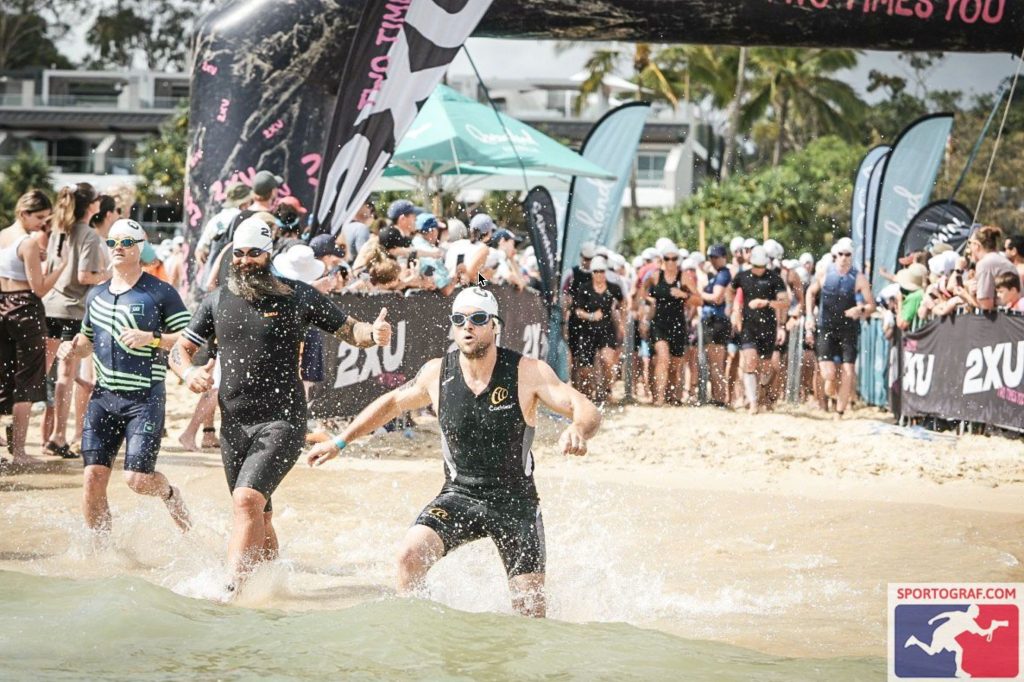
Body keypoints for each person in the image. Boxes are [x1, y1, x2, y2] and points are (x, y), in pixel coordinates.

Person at [305, 287, 601, 617]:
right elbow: (391, 403)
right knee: (409, 557)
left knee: (530, 612)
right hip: (458, 495)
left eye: (477, 319)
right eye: (459, 320)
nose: (467, 327)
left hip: (516, 503)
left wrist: (578, 428)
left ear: (494, 325)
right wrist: (340, 441)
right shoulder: (437, 372)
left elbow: (583, 406)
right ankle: (419, 636)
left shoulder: (527, 371)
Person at [168, 216, 392, 593]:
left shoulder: (296, 295)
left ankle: (230, 594)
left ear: (268, 253)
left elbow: (351, 329)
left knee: (245, 501)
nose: (244, 261)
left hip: (283, 421)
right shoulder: (217, 299)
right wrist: (187, 373)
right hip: (234, 425)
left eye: (253, 253)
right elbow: (180, 349)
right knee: (260, 514)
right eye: (238, 254)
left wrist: (374, 333)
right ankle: (271, 587)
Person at [57, 219, 191, 534]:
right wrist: (71, 349)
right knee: (92, 478)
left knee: (138, 480)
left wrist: (152, 338)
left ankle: (171, 494)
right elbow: (87, 343)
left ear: (140, 245)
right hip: (103, 397)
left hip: (144, 398)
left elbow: (189, 338)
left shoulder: (160, 292)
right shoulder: (96, 294)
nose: (118, 248)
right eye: (112, 242)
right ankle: (101, 554)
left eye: (126, 242)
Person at [0, 191, 66, 466]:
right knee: (26, 381)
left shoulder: (3, 235)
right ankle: (20, 452)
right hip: (26, 309)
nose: (42, 223)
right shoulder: (27, 243)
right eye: (39, 217)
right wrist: (60, 267)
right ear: (23, 213)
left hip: (2, 306)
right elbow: (39, 288)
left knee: (2, 378)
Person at [42, 183, 106, 459]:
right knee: (66, 376)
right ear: (91, 206)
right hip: (73, 311)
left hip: (49, 305)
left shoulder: (57, 231)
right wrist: (106, 274)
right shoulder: (88, 235)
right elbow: (84, 277)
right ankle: (58, 435)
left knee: (44, 373)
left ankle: (41, 434)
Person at [804, 239, 875, 417]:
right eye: (840, 254)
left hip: (848, 329)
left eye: (847, 255)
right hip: (826, 326)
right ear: (835, 255)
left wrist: (860, 309)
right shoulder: (824, 273)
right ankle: (832, 393)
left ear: (852, 256)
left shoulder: (858, 278)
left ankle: (840, 411)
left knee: (848, 371)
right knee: (828, 374)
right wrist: (809, 316)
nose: (843, 258)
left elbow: (871, 305)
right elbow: (810, 293)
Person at [729, 246, 789, 415]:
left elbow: (785, 303)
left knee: (765, 368)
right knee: (749, 362)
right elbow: (730, 291)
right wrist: (733, 310)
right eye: (756, 267)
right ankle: (753, 402)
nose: (759, 271)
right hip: (749, 327)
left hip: (768, 327)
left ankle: (761, 395)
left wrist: (767, 303)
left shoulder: (775, 279)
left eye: (762, 267)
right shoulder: (742, 277)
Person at [569, 255, 622, 403]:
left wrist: (621, 322)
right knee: (585, 369)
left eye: (602, 271)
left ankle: (606, 389)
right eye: (596, 271)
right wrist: (592, 316)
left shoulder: (613, 288)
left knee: (607, 360)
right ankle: (588, 393)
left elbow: (624, 303)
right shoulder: (584, 289)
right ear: (592, 273)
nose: (599, 274)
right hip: (587, 331)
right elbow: (577, 311)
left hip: (606, 329)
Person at [645, 243, 691, 406]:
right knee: (663, 358)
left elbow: (698, 300)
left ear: (678, 260)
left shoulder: (683, 277)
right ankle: (659, 397)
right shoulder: (655, 276)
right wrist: (646, 310)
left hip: (677, 324)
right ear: (662, 259)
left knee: (675, 365)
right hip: (659, 323)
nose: (671, 262)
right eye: (667, 259)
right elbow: (641, 293)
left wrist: (683, 294)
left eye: (674, 259)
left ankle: (671, 395)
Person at [698, 244, 732, 406]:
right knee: (714, 362)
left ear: (723, 257)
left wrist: (699, 293)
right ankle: (717, 397)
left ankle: (719, 398)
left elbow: (717, 297)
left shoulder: (723, 274)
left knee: (716, 362)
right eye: (711, 257)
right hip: (713, 320)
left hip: (717, 321)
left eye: (716, 257)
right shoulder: (716, 274)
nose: (713, 260)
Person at [958, 225, 1016, 311]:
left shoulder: (985, 263)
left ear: (976, 245)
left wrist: (965, 294)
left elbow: (986, 306)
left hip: (1005, 319)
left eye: (970, 243)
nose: (968, 248)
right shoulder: (999, 259)